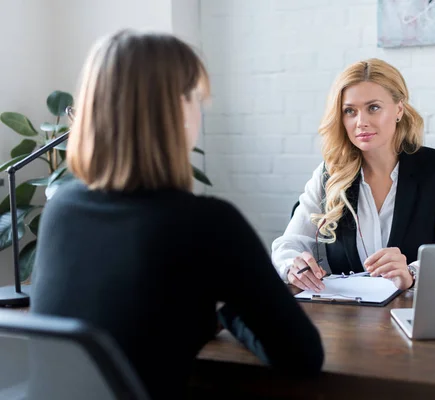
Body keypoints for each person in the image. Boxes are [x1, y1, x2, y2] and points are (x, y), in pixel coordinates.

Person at [30, 29, 324, 399]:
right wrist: (231, 309)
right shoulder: (206, 224)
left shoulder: (61, 208)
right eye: (195, 98)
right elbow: (302, 356)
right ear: (176, 112)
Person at [271, 58, 435, 294]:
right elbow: (288, 244)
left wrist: (412, 272)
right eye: (350, 111)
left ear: (399, 109)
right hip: (345, 319)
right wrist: (292, 266)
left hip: (415, 315)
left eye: (373, 108)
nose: (361, 122)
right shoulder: (329, 174)